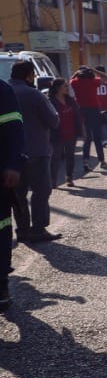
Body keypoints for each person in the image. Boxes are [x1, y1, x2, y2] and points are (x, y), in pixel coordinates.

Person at [10, 61, 60, 243]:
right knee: (41, 191)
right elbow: (53, 121)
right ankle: (38, 229)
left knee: (18, 193)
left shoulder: (5, 92)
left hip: (11, 154)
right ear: (30, 75)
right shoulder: (34, 94)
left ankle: (22, 230)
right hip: (37, 151)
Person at [0, 80, 24, 311]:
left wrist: (14, 165)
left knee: (1, 226)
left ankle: (1, 284)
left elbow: (14, 130)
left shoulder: (2, 90)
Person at [70, 66, 106, 171]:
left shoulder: (75, 83)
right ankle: (102, 161)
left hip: (81, 111)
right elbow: (105, 77)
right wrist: (94, 70)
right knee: (97, 138)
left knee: (87, 138)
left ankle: (85, 161)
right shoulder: (93, 82)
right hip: (94, 110)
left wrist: (76, 72)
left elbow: (70, 80)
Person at [47, 79, 82, 188]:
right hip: (56, 135)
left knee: (70, 156)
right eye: (65, 86)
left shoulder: (71, 100)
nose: (67, 88)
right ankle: (53, 180)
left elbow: (78, 116)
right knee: (55, 158)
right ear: (57, 88)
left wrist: (83, 131)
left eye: (67, 86)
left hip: (71, 134)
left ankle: (69, 177)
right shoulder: (50, 101)